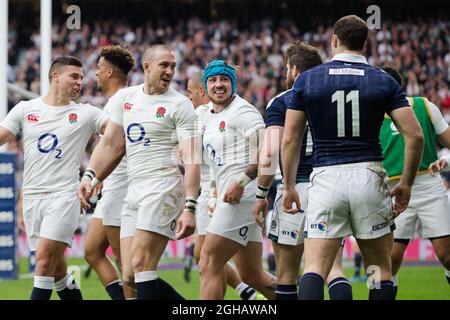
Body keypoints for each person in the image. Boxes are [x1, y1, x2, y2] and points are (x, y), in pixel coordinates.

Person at [281, 15, 424, 300]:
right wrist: (406, 183)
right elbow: (415, 136)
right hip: (369, 177)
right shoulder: (382, 80)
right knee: (379, 271)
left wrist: (288, 187)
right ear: (365, 42)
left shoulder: (307, 80)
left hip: (326, 178)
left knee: (315, 268)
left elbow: (290, 139)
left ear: (334, 40)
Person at [77, 44, 200, 300]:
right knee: (130, 275)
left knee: (142, 264)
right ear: (146, 67)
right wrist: (89, 177)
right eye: (164, 65)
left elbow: (191, 159)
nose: (169, 71)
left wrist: (190, 206)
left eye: (173, 67)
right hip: (134, 190)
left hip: (164, 187)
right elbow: (110, 143)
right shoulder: (126, 99)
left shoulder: (180, 105)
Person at [0, 56, 109, 300]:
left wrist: (100, 171)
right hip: (32, 199)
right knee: (58, 271)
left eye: (81, 77)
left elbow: (115, 134)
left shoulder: (86, 114)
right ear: (55, 77)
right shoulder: (25, 109)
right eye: (74, 76)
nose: (80, 82)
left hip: (64, 197)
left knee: (44, 262)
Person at [253, 40, 352, 300]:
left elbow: (270, 151)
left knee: (286, 276)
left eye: (287, 68)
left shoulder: (283, 100)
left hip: (294, 190)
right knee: (333, 271)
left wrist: (262, 194)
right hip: (330, 186)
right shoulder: (332, 98)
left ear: (294, 70)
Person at [198, 60, 276, 300]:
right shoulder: (208, 115)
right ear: (206, 86)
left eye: (224, 80)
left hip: (243, 197)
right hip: (230, 198)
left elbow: (269, 150)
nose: (218, 85)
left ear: (232, 84)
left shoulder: (243, 111)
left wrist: (241, 181)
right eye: (213, 80)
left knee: (208, 262)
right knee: (253, 275)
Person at [379, 66, 450, 296]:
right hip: (391, 192)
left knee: (447, 255)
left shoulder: (425, 106)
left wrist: (444, 160)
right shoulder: (370, 116)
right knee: (389, 260)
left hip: (427, 185)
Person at [83, 45, 136, 300]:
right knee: (92, 251)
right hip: (111, 184)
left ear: (110, 72)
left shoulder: (120, 100)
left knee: (127, 266)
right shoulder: (117, 101)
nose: (95, 74)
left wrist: (96, 177)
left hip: (121, 187)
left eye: (99, 68)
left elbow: (117, 146)